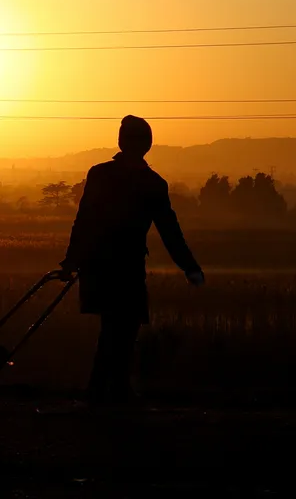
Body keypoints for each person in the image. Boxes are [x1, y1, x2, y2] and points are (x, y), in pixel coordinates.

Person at [57, 115, 204, 404]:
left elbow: (83, 221)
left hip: (98, 265)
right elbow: (169, 230)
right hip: (125, 268)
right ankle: (109, 391)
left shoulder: (100, 174)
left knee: (115, 328)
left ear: (121, 142)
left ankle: (105, 391)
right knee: (121, 328)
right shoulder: (152, 183)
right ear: (147, 144)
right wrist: (190, 268)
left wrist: (71, 261)